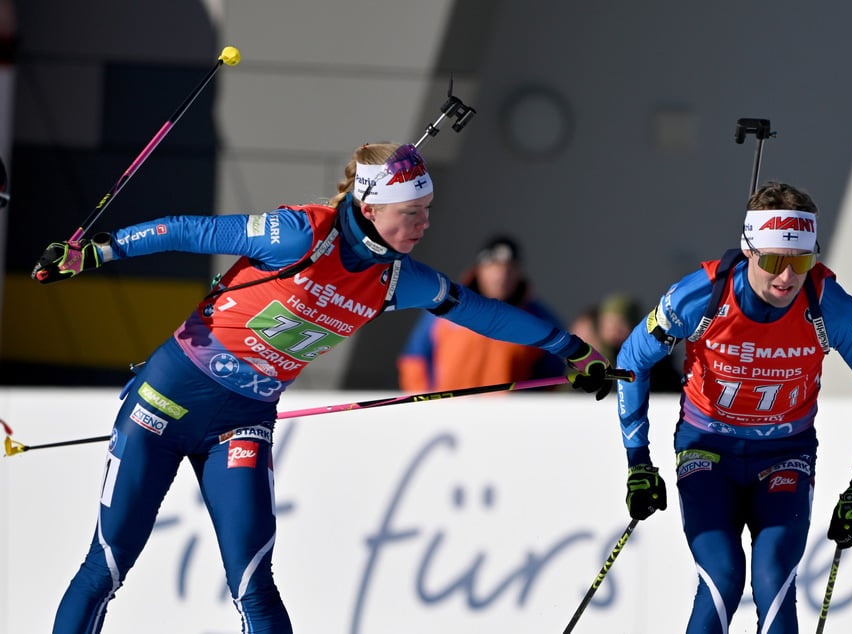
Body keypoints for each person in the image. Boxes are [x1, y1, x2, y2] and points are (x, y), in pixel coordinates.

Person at [31, 142, 615, 633]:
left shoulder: (394, 279)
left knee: (254, 582)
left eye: (428, 209)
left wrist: (572, 350)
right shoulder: (298, 233)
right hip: (165, 402)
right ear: (372, 205)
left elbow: (481, 313)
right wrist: (101, 251)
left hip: (243, 421)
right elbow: (189, 229)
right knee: (106, 566)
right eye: (413, 211)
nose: (425, 223)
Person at [614, 181, 852, 633]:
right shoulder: (701, 297)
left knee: (773, 580)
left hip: (785, 453)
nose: (787, 278)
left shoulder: (829, 306)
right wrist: (638, 461)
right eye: (772, 261)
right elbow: (631, 360)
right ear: (749, 250)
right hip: (708, 449)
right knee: (723, 577)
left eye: (801, 262)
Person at [397, 234, 564, 391]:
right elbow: (414, 359)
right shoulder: (446, 305)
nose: (502, 275)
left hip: (504, 418)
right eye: (493, 265)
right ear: (479, 269)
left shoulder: (537, 318)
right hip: (448, 414)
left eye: (510, 268)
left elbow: (553, 373)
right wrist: (425, 407)